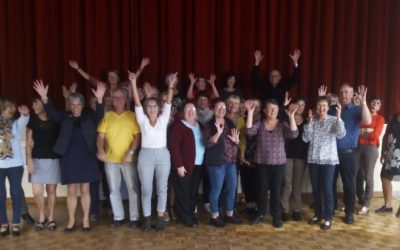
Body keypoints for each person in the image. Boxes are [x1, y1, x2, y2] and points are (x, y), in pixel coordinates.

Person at [33, 80, 106, 232]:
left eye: (78, 104)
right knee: (71, 190)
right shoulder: (64, 117)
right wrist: (45, 98)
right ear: (69, 105)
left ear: (82, 104)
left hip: (87, 156)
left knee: (85, 189)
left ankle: (86, 219)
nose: (75, 107)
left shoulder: (89, 116)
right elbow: (51, 112)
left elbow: (100, 114)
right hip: (69, 157)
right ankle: (72, 220)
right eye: (72, 104)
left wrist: (100, 100)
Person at [129, 70, 176, 232]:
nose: (152, 108)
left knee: (162, 188)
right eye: (148, 106)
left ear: (158, 108)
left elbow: (169, 103)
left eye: (154, 105)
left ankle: (161, 219)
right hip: (146, 156)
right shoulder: (142, 120)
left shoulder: (163, 119)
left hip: (163, 154)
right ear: (146, 109)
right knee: (146, 189)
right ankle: (147, 219)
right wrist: (134, 84)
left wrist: (171, 86)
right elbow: (136, 103)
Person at [246, 99, 298, 228]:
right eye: (270, 108)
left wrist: (291, 116)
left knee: (276, 191)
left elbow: (294, 134)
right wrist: (250, 113)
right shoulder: (259, 124)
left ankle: (276, 216)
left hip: (278, 163)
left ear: (278, 111)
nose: (273, 111)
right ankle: (260, 213)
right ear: (265, 111)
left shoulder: (282, 125)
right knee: (261, 190)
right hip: (261, 163)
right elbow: (249, 131)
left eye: (275, 109)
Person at [326, 84, 371, 224]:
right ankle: (330, 209)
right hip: (331, 153)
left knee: (349, 184)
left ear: (352, 94)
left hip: (349, 154)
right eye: (341, 92)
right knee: (330, 183)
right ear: (338, 95)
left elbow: (368, 121)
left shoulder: (357, 109)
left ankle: (349, 212)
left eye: (347, 92)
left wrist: (364, 103)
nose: (344, 94)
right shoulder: (332, 110)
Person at [97, 88, 141, 228]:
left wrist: (131, 153)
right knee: (113, 189)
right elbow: (100, 136)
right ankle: (118, 217)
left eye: (120, 97)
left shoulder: (132, 116)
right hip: (110, 160)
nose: (118, 100)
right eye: (115, 97)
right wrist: (100, 150)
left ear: (126, 99)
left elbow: (137, 137)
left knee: (133, 189)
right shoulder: (107, 116)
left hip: (128, 160)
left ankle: (134, 218)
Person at [303, 96, 346, 230]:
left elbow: (341, 134)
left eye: (324, 106)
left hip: (329, 160)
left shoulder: (334, 120)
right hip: (314, 159)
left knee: (327, 189)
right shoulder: (312, 121)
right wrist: (309, 123)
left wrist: (339, 117)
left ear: (328, 107)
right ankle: (317, 214)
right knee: (316, 189)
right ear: (316, 108)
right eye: (319, 106)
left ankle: (328, 218)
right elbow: (306, 139)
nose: (322, 108)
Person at [203, 99, 241, 228]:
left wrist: (236, 142)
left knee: (232, 189)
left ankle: (229, 213)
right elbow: (207, 143)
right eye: (218, 106)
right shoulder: (209, 125)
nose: (221, 108)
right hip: (216, 163)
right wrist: (218, 134)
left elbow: (235, 141)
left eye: (223, 106)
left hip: (231, 162)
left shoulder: (230, 123)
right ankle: (214, 216)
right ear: (213, 109)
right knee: (216, 190)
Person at [26, 96, 61, 231]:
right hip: (36, 160)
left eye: (36, 103)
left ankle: (51, 217)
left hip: (53, 159)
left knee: (51, 190)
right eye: (33, 104)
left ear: (44, 104)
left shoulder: (55, 120)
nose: (33, 106)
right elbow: (29, 143)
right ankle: (42, 216)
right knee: (37, 191)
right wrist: (29, 160)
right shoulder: (32, 121)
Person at [168, 102, 205, 227]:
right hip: (184, 166)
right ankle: (185, 217)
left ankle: (190, 214)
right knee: (184, 192)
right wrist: (179, 165)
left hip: (198, 165)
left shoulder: (199, 125)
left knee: (193, 192)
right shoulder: (177, 126)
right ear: (183, 113)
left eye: (193, 109)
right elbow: (174, 148)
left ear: (196, 112)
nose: (190, 112)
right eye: (187, 110)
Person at [0, 98, 29, 237]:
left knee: (16, 193)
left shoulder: (16, 124)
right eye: (9, 107)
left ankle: (16, 223)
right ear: (2, 109)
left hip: (15, 165)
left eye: (13, 107)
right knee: (0, 194)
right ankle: (3, 223)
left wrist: (25, 114)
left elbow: (24, 120)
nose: (12, 110)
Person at [355, 96, 385, 215]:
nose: (374, 105)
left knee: (368, 176)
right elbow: (354, 131)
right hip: (357, 147)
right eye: (373, 102)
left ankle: (366, 204)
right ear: (368, 103)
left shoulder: (380, 119)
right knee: (356, 175)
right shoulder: (362, 115)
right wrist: (366, 131)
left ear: (379, 106)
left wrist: (361, 132)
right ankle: (358, 199)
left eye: (377, 103)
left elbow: (374, 136)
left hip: (371, 148)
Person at [281, 97, 308, 221]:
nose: (300, 107)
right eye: (298, 104)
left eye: (303, 105)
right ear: (294, 106)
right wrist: (284, 106)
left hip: (301, 157)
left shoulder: (307, 121)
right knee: (287, 184)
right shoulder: (286, 119)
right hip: (287, 155)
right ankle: (284, 210)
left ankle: (296, 210)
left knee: (297, 184)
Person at [375, 111, 400, 217]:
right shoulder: (393, 117)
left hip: (398, 154)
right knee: (385, 176)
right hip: (390, 153)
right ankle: (388, 205)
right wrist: (382, 152)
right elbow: (386, 135)